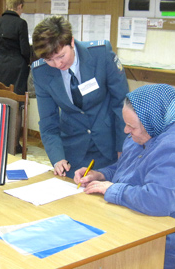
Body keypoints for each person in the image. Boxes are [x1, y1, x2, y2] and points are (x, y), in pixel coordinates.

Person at [74, 84, 175, 269]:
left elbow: (159, 201)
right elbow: (130, 168)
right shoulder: (150, 129)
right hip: (141, 225)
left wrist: (113, 189)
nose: (125, 131)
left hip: (170, 244)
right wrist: (102, 174)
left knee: (90, 258)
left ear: (151, 122)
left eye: (131, 126)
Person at [31, 16, 128, 178]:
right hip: (73, 153)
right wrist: (57, 158)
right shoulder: (41, 72)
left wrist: (123, 148)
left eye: (61, 56)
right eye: (49, 60)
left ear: (71, 42)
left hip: (110, 147)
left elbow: (121, 104)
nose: (57, 64)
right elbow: (48, 121)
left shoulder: (101, 54)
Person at [0, 0, 31, 95]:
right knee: (16, 96)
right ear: (20, 6)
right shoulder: (21, 23)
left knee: (0, 95)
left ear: (7, 5)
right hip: (17, 65)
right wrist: (27, 61)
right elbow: (25, 49)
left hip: (0, 64)